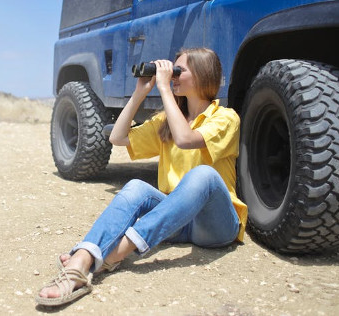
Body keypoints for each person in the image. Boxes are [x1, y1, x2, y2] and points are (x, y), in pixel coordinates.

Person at [35, 47, 248, 307]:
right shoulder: (169, 120)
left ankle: (115, 253)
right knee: (136, 186)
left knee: (203, 175)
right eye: (173, 71)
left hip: (215, 226)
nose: (173, 76)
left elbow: (185, 139)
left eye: (179, 71)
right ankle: (83, 258)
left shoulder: (226, 118)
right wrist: (139, 93)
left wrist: (166, 90)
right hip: (176, 222)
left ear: (204, 74)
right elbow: (117, 137)